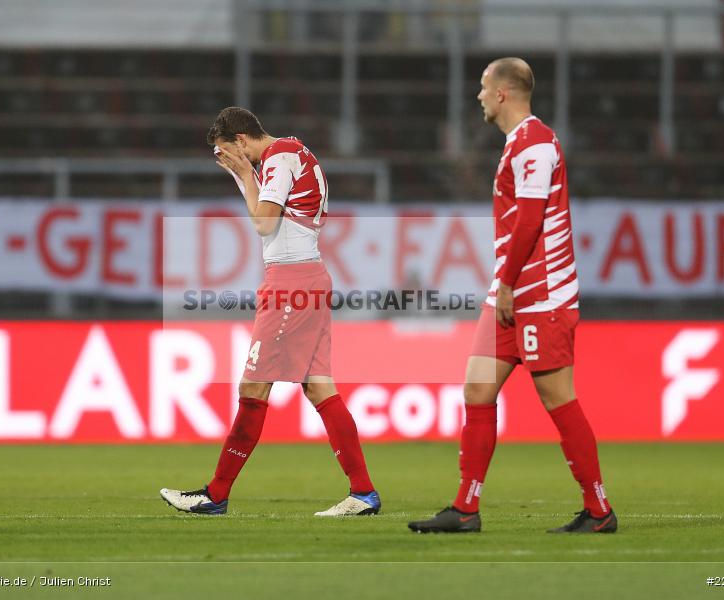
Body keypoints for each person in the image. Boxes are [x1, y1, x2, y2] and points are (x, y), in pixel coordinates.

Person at [408, 58, 617, 534]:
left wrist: (505, 283)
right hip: (510, 292)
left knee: (557, 397)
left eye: (483, 88)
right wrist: (503, 286)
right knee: (477, 388)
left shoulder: (536, 144)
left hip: (541, 293)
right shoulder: (516, 145)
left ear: (502, 93)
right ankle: (465, 509)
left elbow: (530, 218)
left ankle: (600, 510)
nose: (478, 96)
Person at [160, 107, 381, 517]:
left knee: (253, 389)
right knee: (319, 388)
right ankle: (363, 493)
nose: (226, 159)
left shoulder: (279, 156)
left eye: (226, 152)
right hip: (307, 276)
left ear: (241, 141)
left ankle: (216, 494)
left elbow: (264, 223)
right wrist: (242, 174)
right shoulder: (290, 153)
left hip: (291, 284)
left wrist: (244, 175)